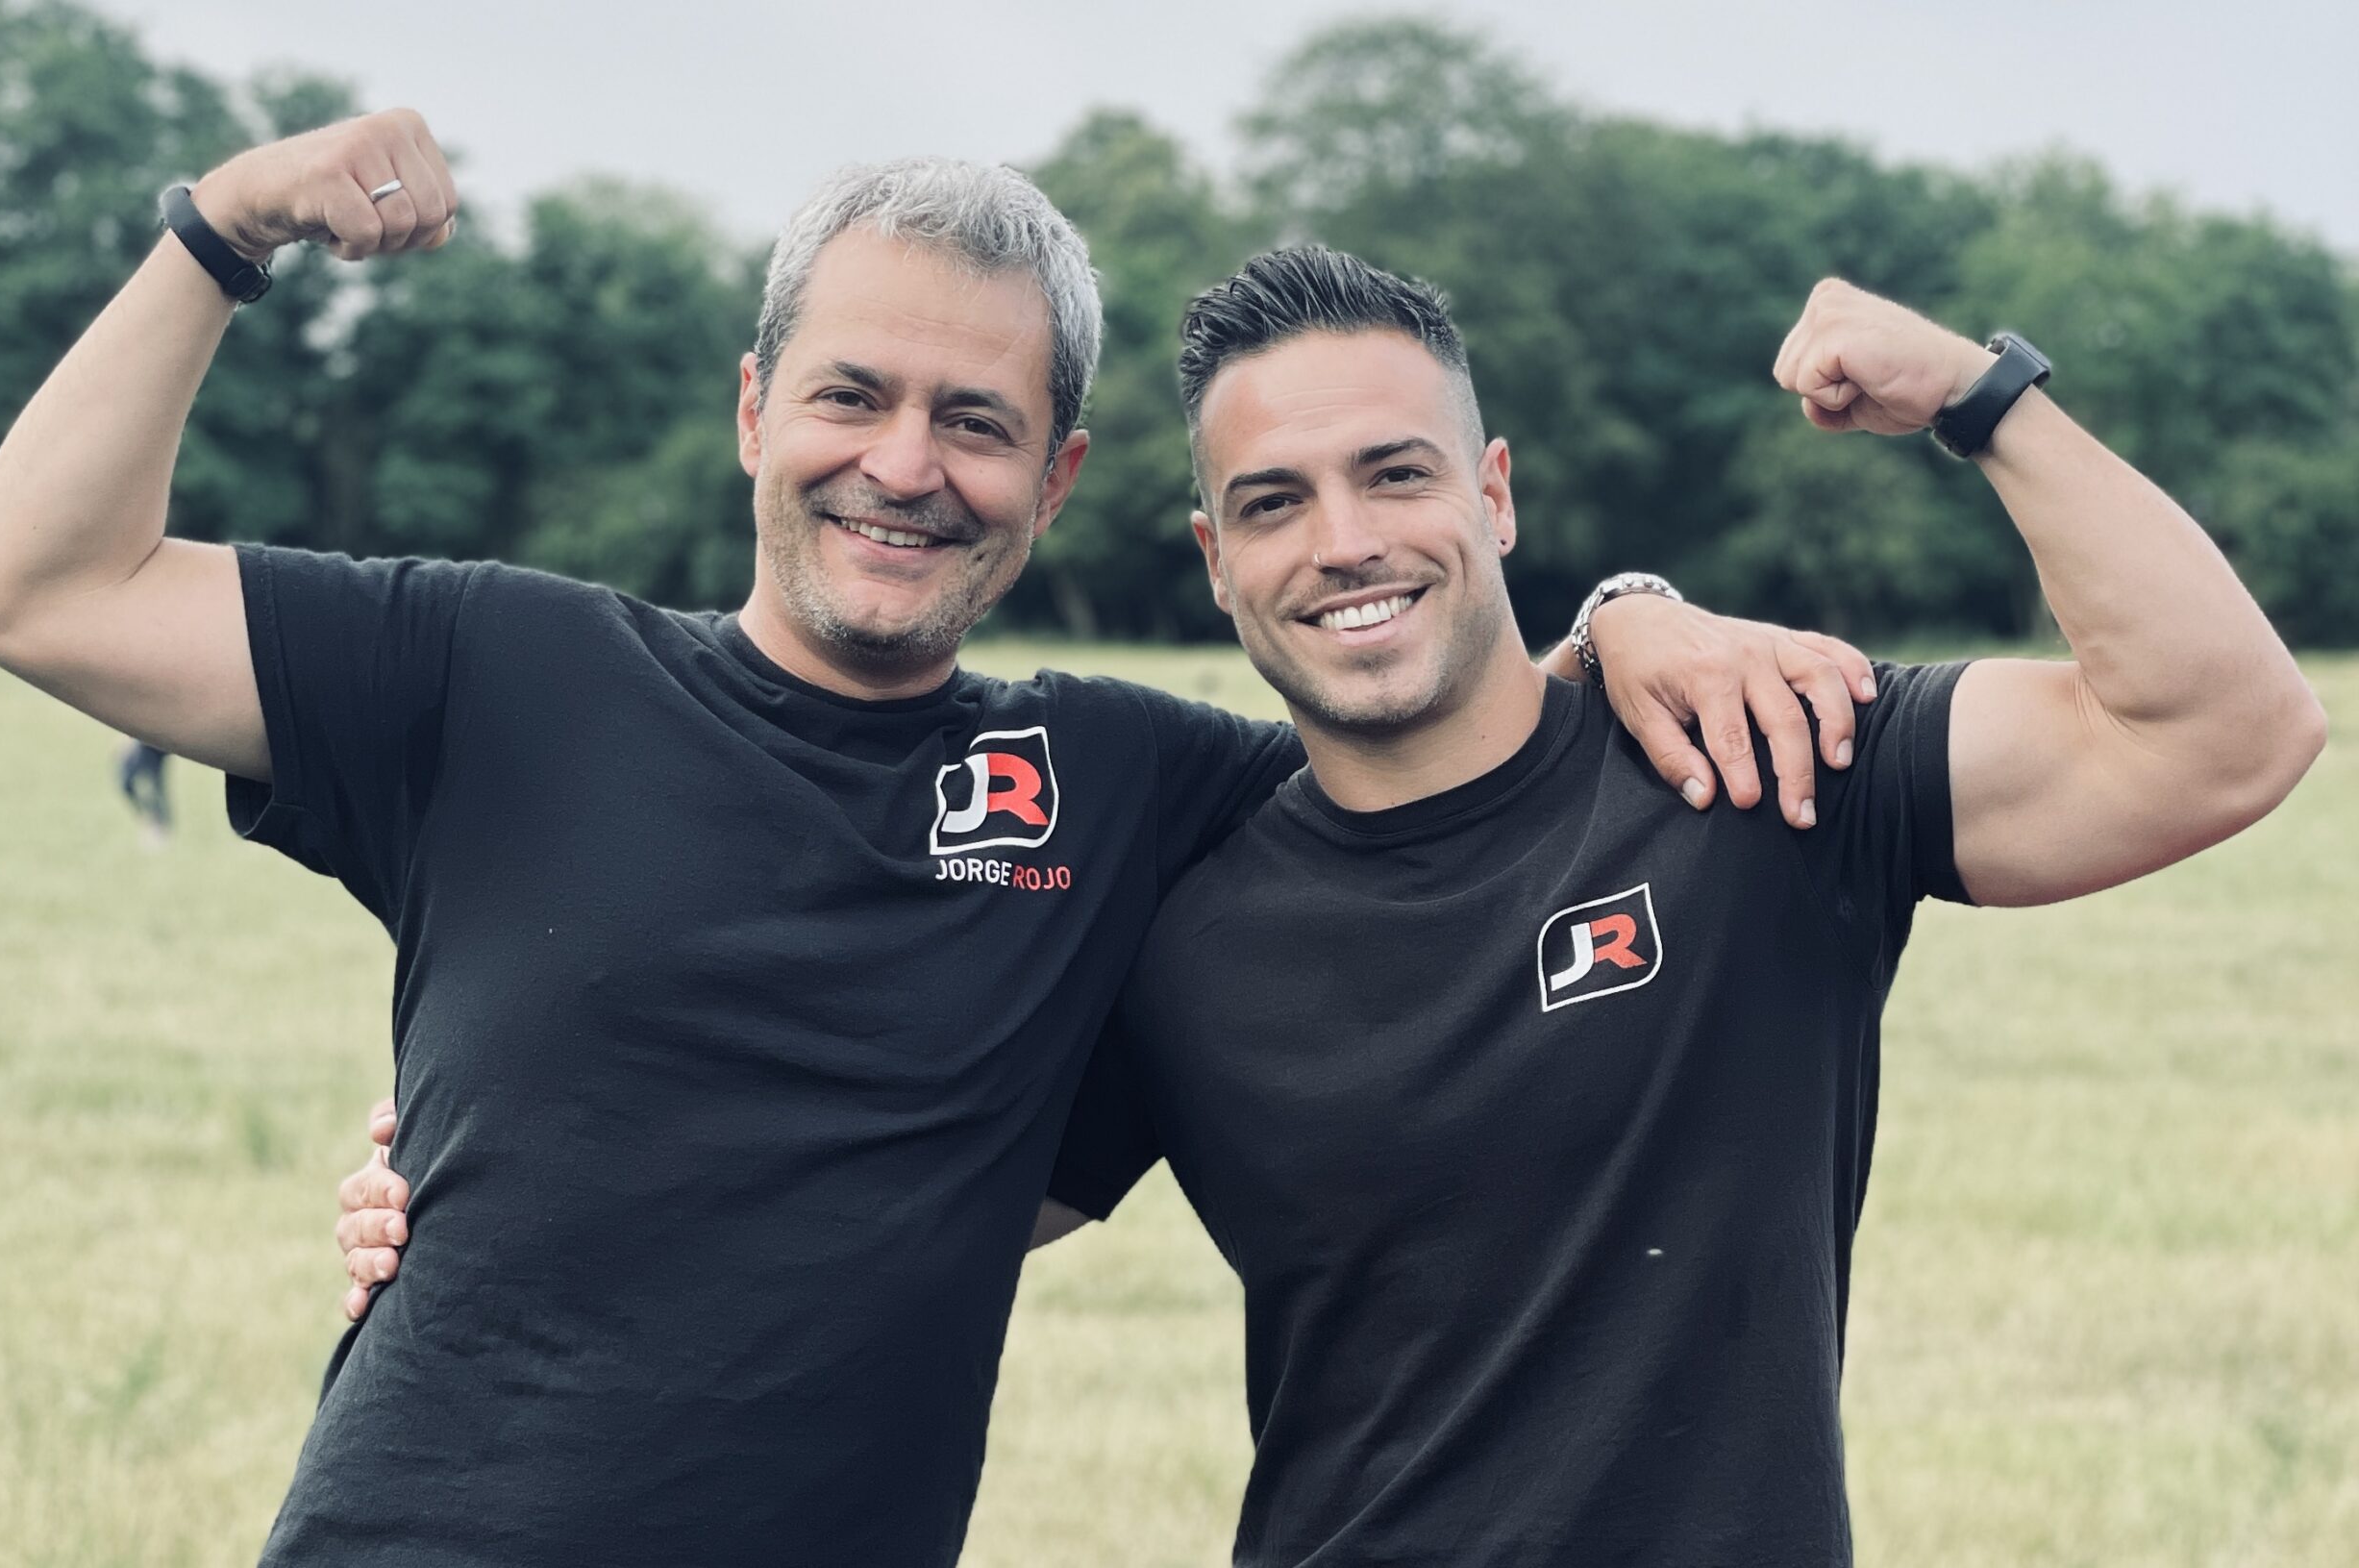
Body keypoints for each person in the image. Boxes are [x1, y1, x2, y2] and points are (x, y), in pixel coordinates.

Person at [0, 109, 1875, 1565]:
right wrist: (220, 229)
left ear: (1056, 475)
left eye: (973, 418)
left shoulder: (1125, 781)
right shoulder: (486, 666)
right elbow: (31, 582)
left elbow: (1427, 719)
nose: (902, 463)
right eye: (851, 395)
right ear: (754, 406)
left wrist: (1625, 608)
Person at [336, 247, 2327, 1564]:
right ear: (1209, 554)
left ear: (1496, 494)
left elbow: (2220, 732)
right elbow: (864, 1203)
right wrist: (472, 1177)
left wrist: (1977, 399)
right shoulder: (1178, 904)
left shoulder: (1752, 766)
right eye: (1273, 503)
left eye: (1393, 475)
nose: (1342, 540)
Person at [115, 736, 172, 844]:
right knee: (126, 784)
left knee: (156, 787)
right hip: (142, 744)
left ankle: (158, 825)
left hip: (155, 747)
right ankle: (149, 820)